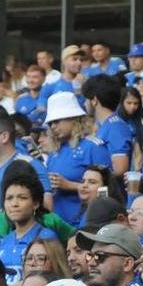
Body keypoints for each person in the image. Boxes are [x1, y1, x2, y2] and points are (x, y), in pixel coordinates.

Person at [44, 93, 113, 225]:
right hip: (58, 222)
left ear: (74, 119)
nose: (53, 126)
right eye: (51, 123)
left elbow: (108, 189)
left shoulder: (93, 147)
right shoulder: (55, 151)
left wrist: (70, 185)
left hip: (86, 223)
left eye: (57, 121)